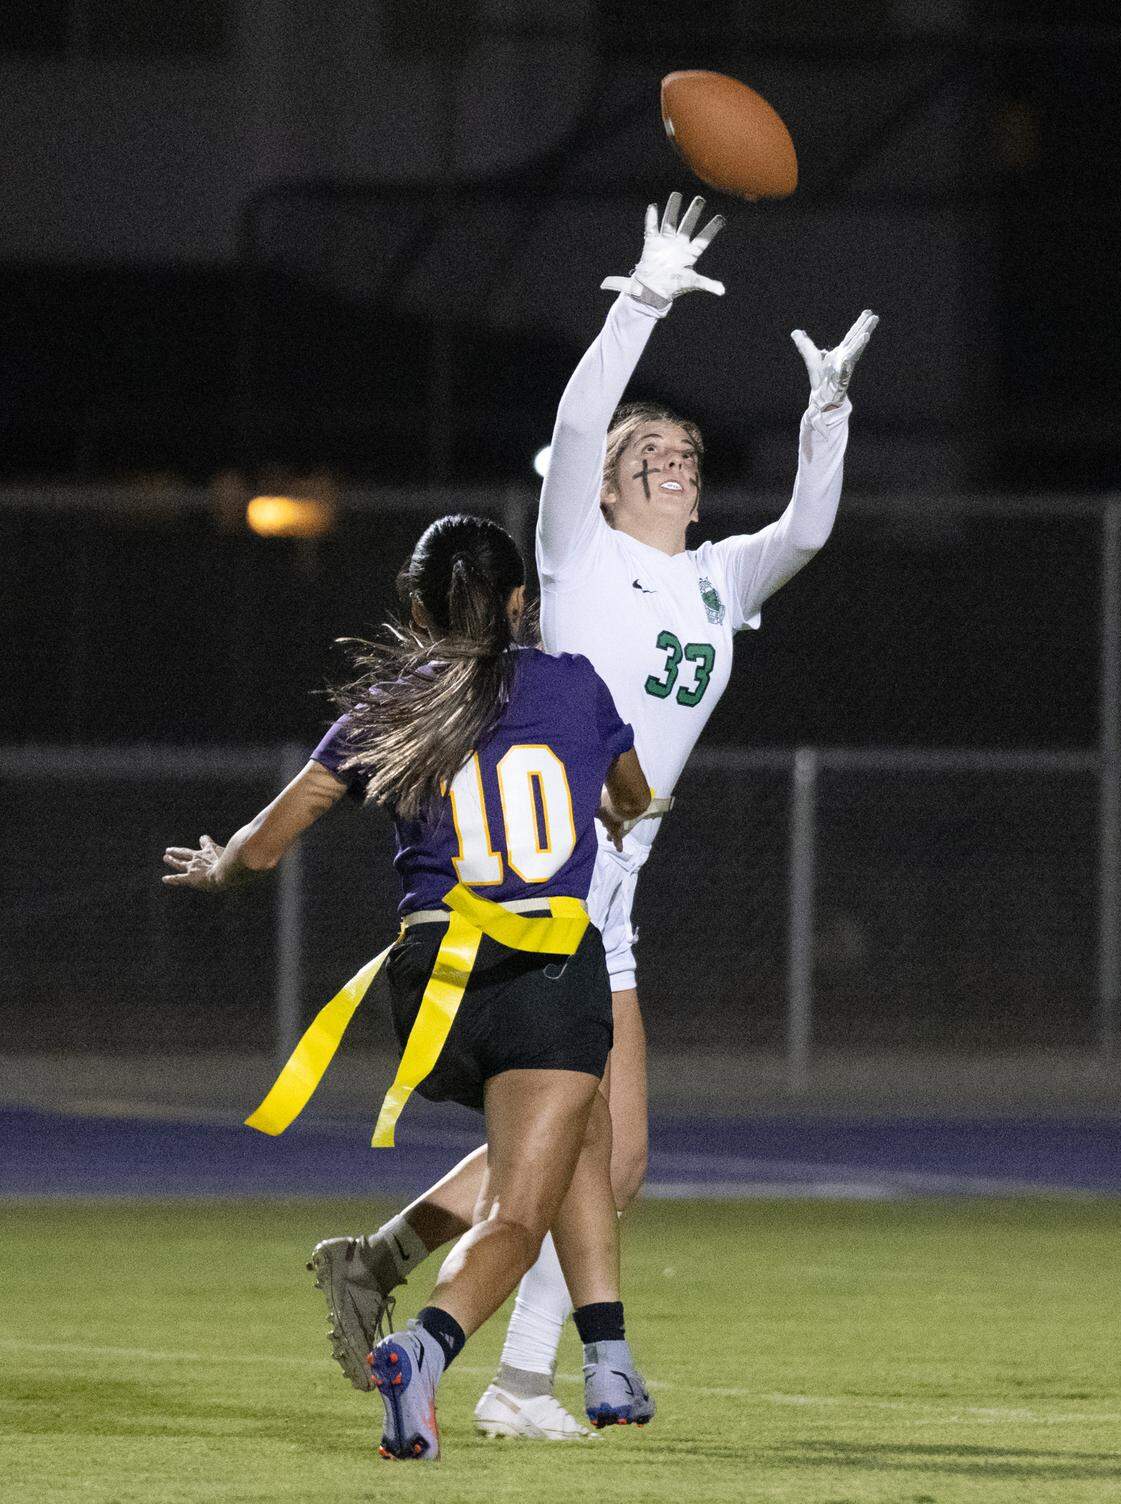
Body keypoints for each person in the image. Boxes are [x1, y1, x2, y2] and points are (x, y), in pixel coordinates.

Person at [309, 195, 879, 1440]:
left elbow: (811, 526)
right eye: (645, 453)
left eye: (680, 447)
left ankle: (409, 1282)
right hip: (549, 880)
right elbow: (578, 422)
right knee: (592, 1155)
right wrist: (643, 299)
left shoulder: (713, 577)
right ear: (606, 490)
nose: (669, 455)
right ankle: (507, 1375)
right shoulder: (576, 557)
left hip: (617, 881)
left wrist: (823, 418)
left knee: (604, 1158)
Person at [162, 513, 655, 1460]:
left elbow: (265, 843)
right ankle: (431, 1351)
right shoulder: (574, 684)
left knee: (573, 1127)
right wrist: (601, 799)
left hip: (432, 980)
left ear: (419, 610)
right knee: (521, 1207)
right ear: (521, 605)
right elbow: (629, 797)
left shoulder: (392, 703)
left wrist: (221, 865)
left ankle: (606, 1356)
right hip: (546, 966)